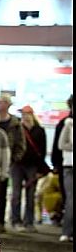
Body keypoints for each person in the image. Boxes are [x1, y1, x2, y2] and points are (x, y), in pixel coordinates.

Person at [0, 94, 25, 233]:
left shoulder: (15, 123)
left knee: (2, 193)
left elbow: (21, 144)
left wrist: (14, 159)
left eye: (2, 102)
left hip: (6, 162)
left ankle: (0, 221)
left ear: (8, 104)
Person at [11, 106, 47, 231]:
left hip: (32, 166)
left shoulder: (39, 130)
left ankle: (29, 222)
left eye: (27, 113)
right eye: (23, 114)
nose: (25, 116)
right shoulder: (17, 129)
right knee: (16, 193)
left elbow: (42, 152)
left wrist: (40, 170)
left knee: (31, 195)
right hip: (17, 164)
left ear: (32, 114)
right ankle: (15, 221)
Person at [51, 95, 73, 220]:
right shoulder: (63, 123)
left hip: (65, 165)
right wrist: (56, 164)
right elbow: (57, 146)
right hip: (66, 165)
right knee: (68, 196)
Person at [58, 95, 73, 242]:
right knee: (70, 200)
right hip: (69, 166)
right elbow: (62, 145)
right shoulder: (68, 124)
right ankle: (66, 231)